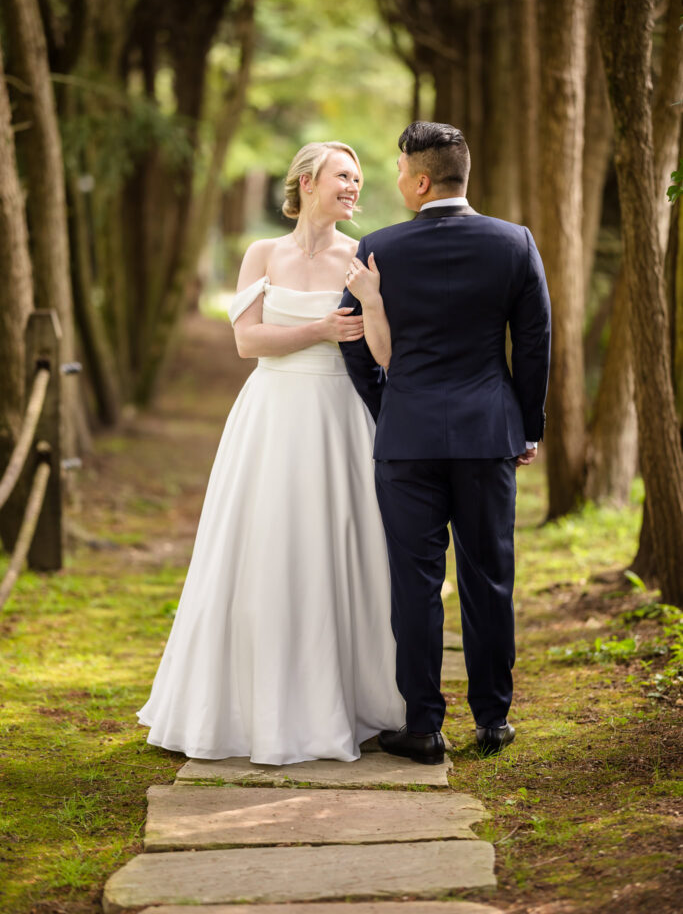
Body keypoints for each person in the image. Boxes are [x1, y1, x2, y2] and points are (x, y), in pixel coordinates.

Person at [137, 141, 406, 764]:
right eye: (344, 175)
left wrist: (369, 302)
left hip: (340, 415)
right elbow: (247, 342)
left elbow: (385, 350)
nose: (353, 186)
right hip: (270, 414)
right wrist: (317, 330)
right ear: (307, 180)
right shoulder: (262, 254)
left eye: (359, 178)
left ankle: (349, 697)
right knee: (262, 545)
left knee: (339, 544)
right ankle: (243, 704)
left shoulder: (362, 257)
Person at [340, 121, 551, 762]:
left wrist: (390, 404)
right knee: (489, 577)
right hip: (490, 436)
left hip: (407, 439)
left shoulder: (378, 248)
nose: (398, 181)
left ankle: (425, 727)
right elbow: (536, 343)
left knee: (416, 581)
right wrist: (527, 425)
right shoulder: (515, 243)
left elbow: (352, 337)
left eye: (402, 172)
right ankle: (492, 720)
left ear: (423, 180)